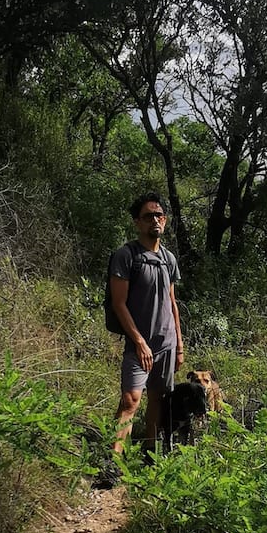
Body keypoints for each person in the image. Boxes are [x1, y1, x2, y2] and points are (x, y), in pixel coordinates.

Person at [108, 193, 184, 455]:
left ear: (165, 220)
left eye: (159, 215)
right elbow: (119, 304)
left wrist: (179, 346)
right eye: (148, 216)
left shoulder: (168, 259)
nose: (155, 220)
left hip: (167, 343)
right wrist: (139, 342)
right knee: (131, 400)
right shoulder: (126, 256)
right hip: (139, 344)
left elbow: (172, 303)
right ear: (137, 222)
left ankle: (150, 452)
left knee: (158, 398)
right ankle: (114, 460)